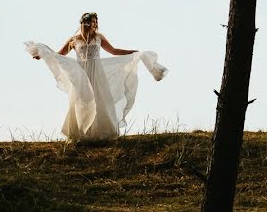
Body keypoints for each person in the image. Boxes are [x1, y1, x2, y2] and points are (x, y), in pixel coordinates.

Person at [26, 12, 167, 141]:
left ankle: (101, 134)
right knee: (80, 101)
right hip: (81, 73)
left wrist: (132, 53)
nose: (92, 25)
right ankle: (81, 134)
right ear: (83, 23)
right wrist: (42, 55)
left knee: (101, 100)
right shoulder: (73, 40)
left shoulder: (99, 37)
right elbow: (59, 55)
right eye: (90, 22)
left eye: (94, 22)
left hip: (97, 73)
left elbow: (113, 50)